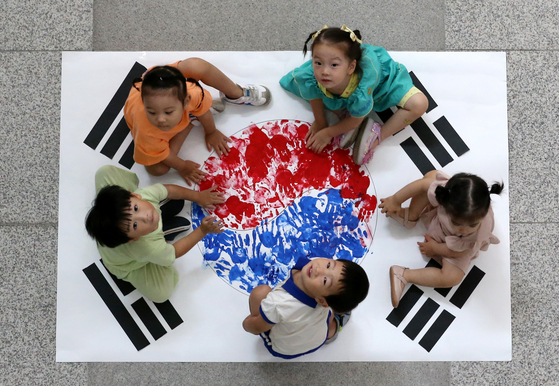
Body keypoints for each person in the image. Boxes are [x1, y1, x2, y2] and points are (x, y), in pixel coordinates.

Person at [280, 25, 428, 165]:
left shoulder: (361, 91)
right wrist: (320, 122)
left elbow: (356, 120)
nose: (324, 71)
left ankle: (376, 136)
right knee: (330, 98)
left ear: (351, 67)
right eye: (318, 62)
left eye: (334, 65)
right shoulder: (312, 75)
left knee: (420, 104)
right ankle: (346, 118)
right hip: (346, 91)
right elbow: (313, 94)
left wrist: (328, 133)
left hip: (383, 85)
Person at [85, 165, 225, 303]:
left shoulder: (144, 195)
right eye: (135, 225)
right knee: (161, 294)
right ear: (132, 239)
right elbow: (174, 251)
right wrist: (202, 230)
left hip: (123, 232)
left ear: (133, 194)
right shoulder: (149, 247)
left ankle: (154, 223)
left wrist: (198, 196)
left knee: (104, 172)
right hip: (126, 264)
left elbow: (167, 190)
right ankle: (165, 232)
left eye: (136, 208)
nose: (145, 216)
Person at [125, 58, 271, 185]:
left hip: (164, 82)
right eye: (151, 111)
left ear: (186, 102)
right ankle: (190, 121)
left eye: (168, 112)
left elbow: (203, 110)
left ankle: (236, 93)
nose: (160, 119)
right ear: (144, 103)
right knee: (157, 170)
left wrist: (211, 132)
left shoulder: (191, 94)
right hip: (150, 130)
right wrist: (183, 167)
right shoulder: (146, 132)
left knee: (197, 66)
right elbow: (164, 156)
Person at [379, 170, 504, 308]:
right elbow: (421, 186)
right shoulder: (446, 194)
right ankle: (411, 215)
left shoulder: (480, 232)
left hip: (453, 246)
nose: (464, 229)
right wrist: (395, 200)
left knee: (453, 277)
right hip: (437, 220)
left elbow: (460, 252)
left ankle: (404, 275)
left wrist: (435, 249)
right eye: (457, 223)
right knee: (431, 176)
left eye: (472, 224)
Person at [242, 256, 369, 359]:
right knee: (327, 313)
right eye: (329, 265)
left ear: (321, 300)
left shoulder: (279, 304)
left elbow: (257, 327)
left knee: (260, 292)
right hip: (317, 338)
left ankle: (260, 317)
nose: (319, 269)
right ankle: (332, 329)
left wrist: (248, 324)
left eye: (325, 280)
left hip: (284, 347)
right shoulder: (324, 297)